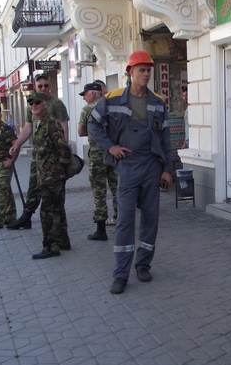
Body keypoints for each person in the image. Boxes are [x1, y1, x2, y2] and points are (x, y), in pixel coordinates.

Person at [88, 50, 173, 294]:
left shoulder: (158, 102)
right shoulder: (113, 98)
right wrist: (110, 147)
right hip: (127, 166)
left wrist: (167, 169)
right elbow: (93, 123)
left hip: (151, 166)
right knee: (125, 220)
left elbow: (165, 139)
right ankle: (120, 274)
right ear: (130, 72)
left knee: (150, 219)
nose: (146, 74)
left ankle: (143, 265)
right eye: (141, 70)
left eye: (148, 70)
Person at [7, 74, 70, 230]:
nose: (43, 88)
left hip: (52, 158)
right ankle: (26, 216)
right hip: (38, 155)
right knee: (33, 186)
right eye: (40, 86)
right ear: (35, 87)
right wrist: (17, 145)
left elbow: (64, 130)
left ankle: (55, 226)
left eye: (45, 85)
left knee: (53, 193)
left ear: (50, 87)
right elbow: (27, 127)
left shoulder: (56, 104)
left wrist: (63, 157)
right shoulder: (33, 104)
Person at [29, 92, 71, 259]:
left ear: (45, 104)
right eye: (31, 103)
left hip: (51, 176)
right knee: (57, 209)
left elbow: (64, 148)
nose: (34, 105)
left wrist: (58, 167)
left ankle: (50, 247)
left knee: (47, 212)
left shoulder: (51, 124)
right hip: (45, 175)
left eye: (37, 102)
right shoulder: (37, 123)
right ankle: (62, 241)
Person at [78, 82, 118, 240]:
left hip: (97, 155)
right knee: (117, 189)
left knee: (99, 192)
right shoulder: (112, 106)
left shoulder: (88, 109)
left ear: (93, 94)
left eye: (85, 95)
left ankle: (101, 230)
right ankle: (121, 221)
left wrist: (95, 131)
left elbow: (81, 131)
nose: (84, 98)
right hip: (114, 153)